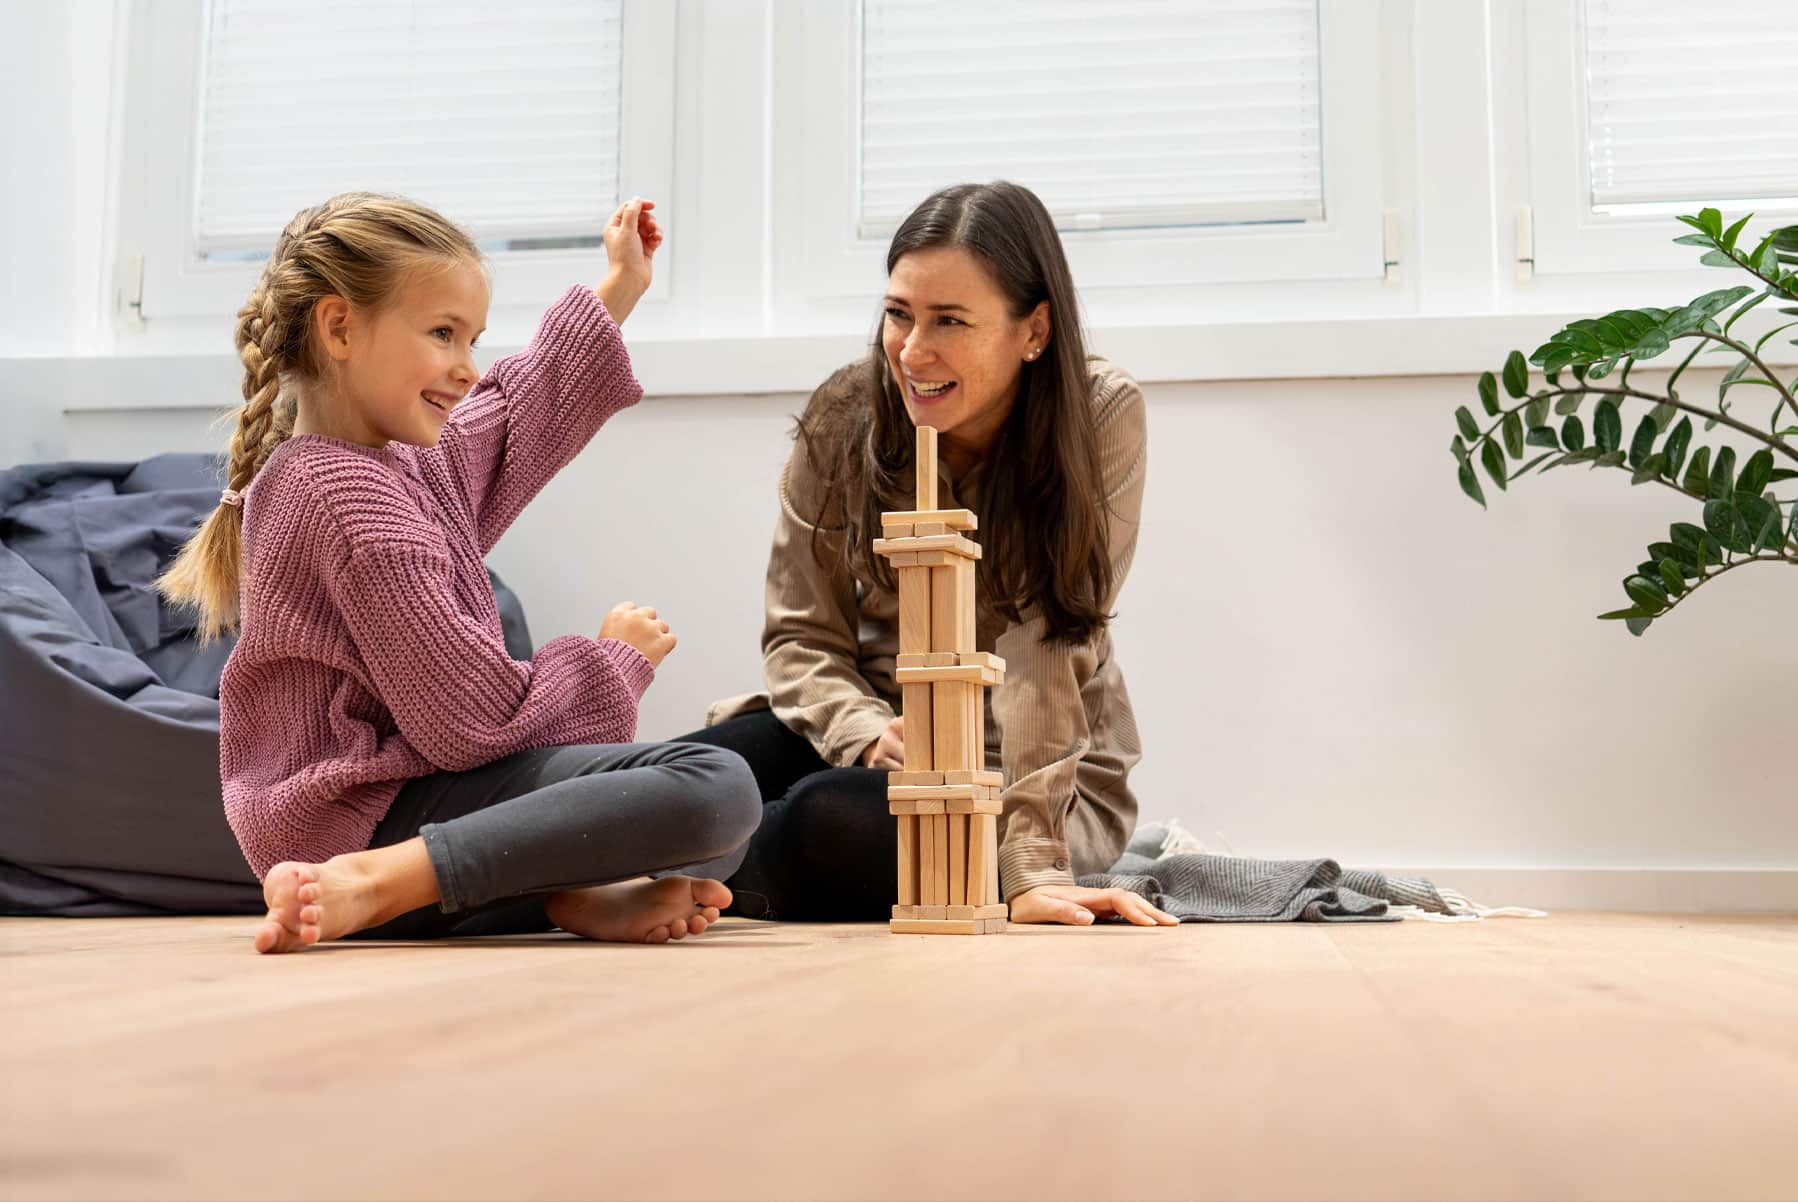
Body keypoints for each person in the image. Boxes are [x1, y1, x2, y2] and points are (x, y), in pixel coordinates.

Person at [157, 192, 759, 953]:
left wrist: (620, 288)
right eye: (443, 334)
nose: (468, 369)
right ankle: (380, 886)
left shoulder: (400, 460)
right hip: (365, 820)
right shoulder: (348, 501)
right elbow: (475, 723)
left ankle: (556, 894)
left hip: (423, 811)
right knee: (716, 786)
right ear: (339, 327)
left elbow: (517, 412)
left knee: (718, 829)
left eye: (472, 338)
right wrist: (614, 663)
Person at [680, 182, 1173, 928]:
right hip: (867, 740)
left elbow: (1054, 639)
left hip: (1024, 779)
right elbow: (801, 638)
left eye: (950, 321)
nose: (913, 351)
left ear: (1032, 330)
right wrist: (867, 731)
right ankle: (608, 863)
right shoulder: (845, 412)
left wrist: (1030, 867)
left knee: (826, 819)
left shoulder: (1100, 415)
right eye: (898, 315)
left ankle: (649, 872)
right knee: (687, 777)